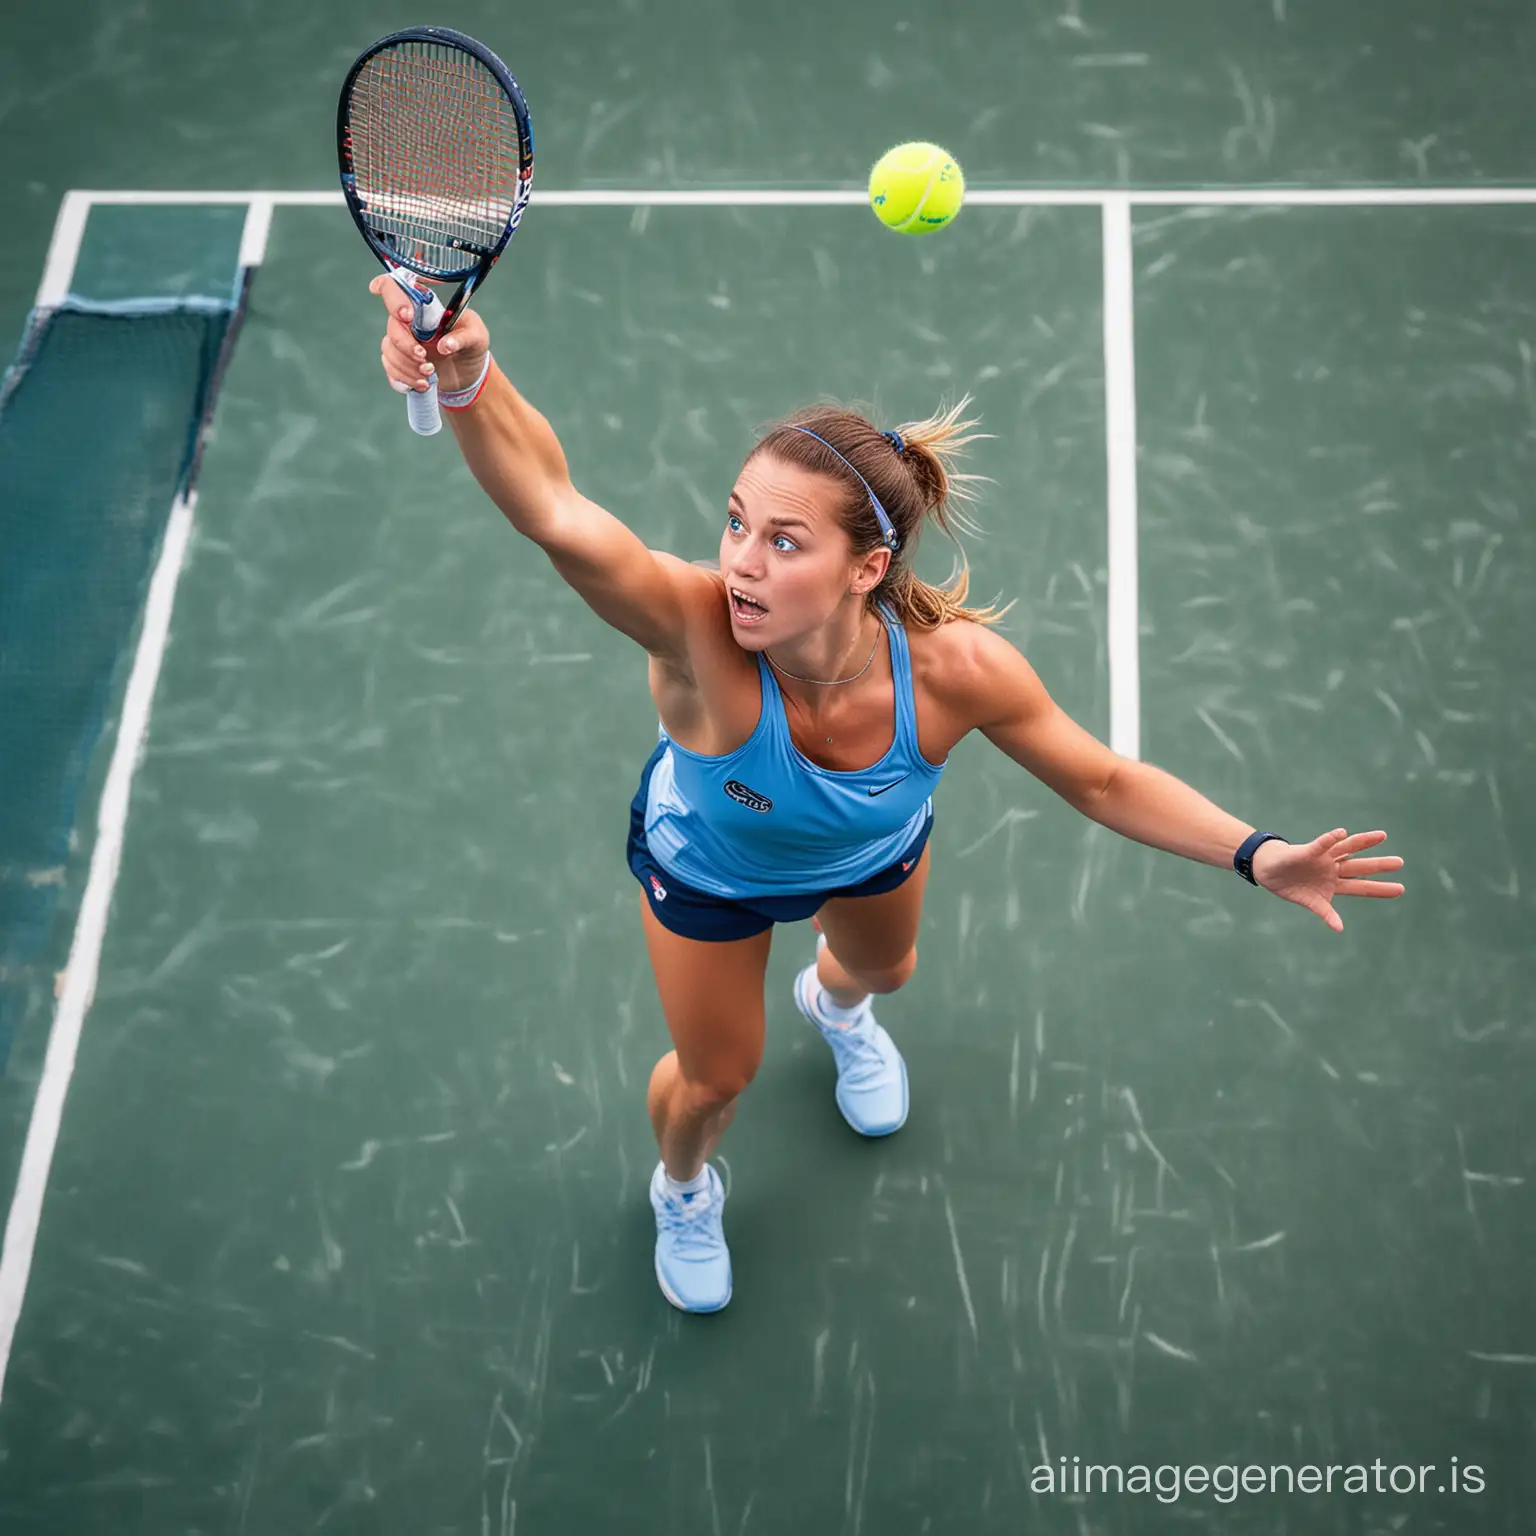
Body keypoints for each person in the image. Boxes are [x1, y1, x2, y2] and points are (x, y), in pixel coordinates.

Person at [370, 278, 1408, 1314]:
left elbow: (1101, 777)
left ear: (867, 567)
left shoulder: (957, 673)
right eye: (736, 523)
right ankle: (682, 1187)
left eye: (784, 541)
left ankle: (834, 1004)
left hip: (869, 853)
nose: (740, 562)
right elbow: (555, 511)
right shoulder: (695, 632)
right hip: (709, 872)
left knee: (887, 969)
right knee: (717, 1079)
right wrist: (471, 383)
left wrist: (1256, 852)